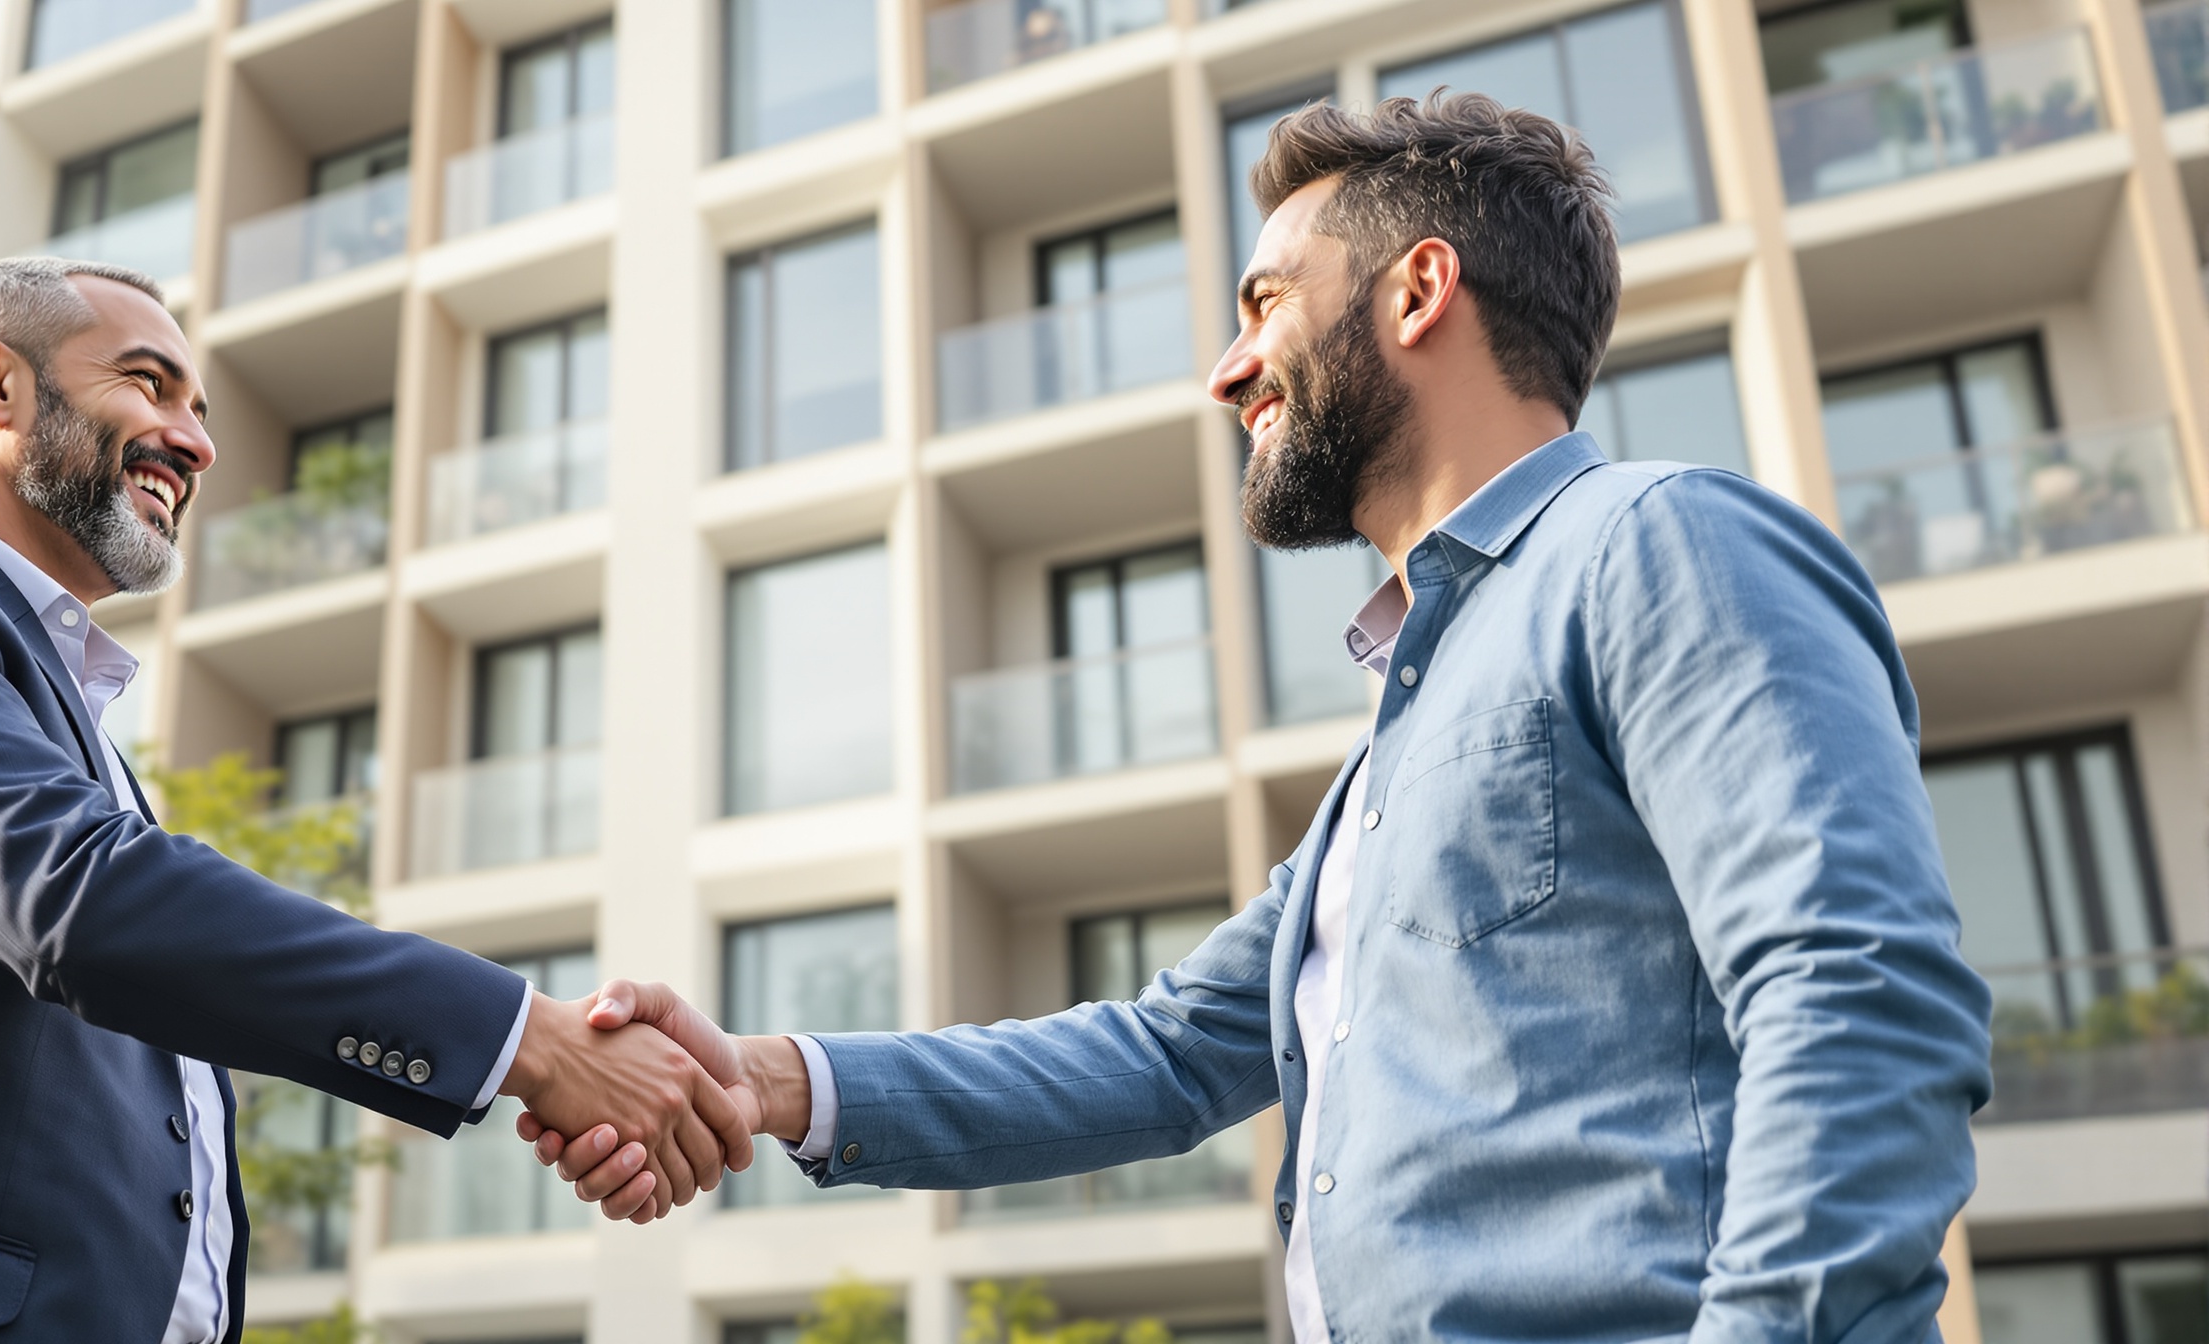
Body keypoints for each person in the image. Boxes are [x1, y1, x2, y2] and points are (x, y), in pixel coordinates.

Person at [524, 94, 1996, 1340]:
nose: (1229, 370)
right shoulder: (1392, 743)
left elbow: (1856, 987)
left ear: (1419, 293)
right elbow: (1168, 1059)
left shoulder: (1659, 545)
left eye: (1263, 303)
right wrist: (767, 1080)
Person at [0, 257, 749, 1344]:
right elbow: (88, 904)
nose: (199, 442)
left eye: (201, 407)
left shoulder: (75, 729)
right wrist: (532, 1046)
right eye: (147, 383)